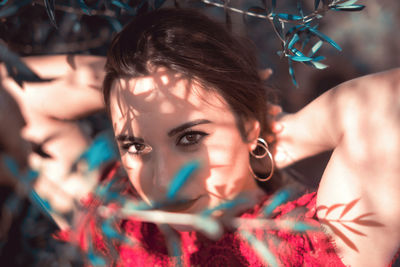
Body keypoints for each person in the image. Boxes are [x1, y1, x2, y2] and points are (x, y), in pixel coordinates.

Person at [2, 7, 399, 266]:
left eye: (190, 138)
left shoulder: (308, 249)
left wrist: (279, 137)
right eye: (136, 146)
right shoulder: (120, 222)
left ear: (248, 125)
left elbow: (389, 107)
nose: (161, 182)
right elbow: (15, 98)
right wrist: (129, 79)